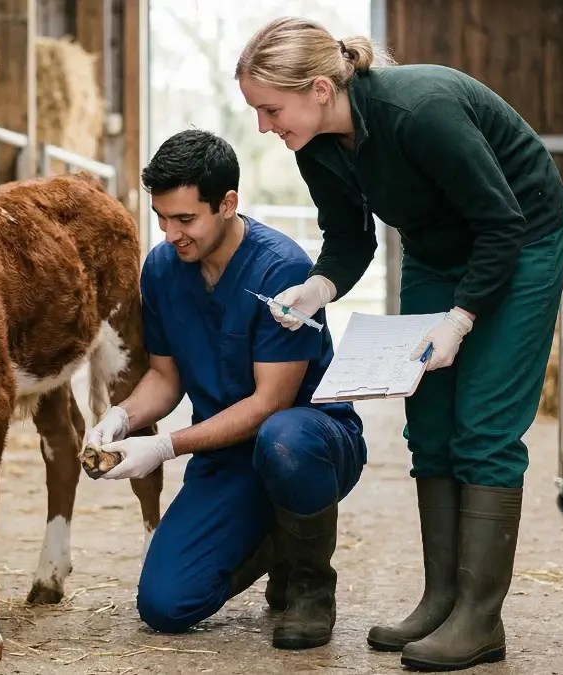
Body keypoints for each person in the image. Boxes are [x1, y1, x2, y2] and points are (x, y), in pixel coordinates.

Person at [234, 16, 563, 672]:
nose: (264, 127)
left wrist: (461, 321)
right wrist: (317, 288)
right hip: (437, 249)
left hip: (520, 238)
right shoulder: (317, 147)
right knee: (432, 424)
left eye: (271, 109)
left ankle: (480, 616)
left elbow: (501, 222)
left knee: (484, 427)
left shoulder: (420, 111)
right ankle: (441, 597)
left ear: (321, 89)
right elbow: (351, 236)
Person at [86, 128, 367, 651]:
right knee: (165, 606)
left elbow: (269, 404)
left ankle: (309, 585)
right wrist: (121, 418)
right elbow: (165, 377)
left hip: (310, 440)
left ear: (228, 203)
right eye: (162, 218)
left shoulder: (282, 267)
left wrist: (165, 446)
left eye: (185, 219)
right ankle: (274, 539)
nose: (171, 234)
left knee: (284, 440)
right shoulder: (164, 268)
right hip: (227, 455)